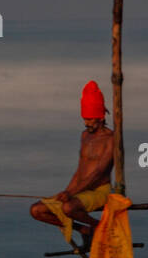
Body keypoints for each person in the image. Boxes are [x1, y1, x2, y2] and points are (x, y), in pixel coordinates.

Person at [29, 80, 114, 248]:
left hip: (98, 191)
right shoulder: (85, 136)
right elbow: (80, 170)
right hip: (77, 190)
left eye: (90, 119)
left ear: (100, 117)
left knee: (68, 208)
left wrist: (72, 193)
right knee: (37, 210)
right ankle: (83, 229)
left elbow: (98, 173)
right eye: (84, 119)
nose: (87, 123)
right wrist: (67, 190)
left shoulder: (111, 139)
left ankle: (99, 227)